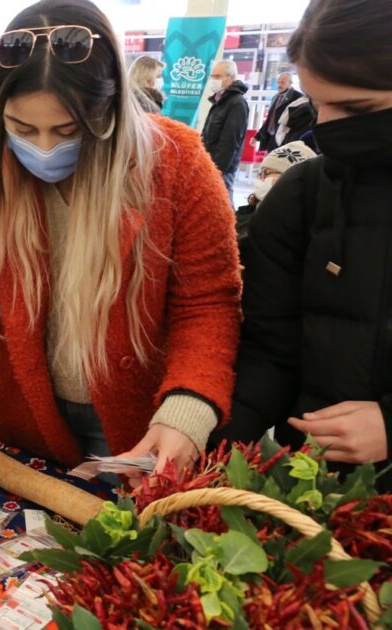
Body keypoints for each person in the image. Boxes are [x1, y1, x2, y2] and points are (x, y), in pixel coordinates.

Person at [0, 0, 241, 533]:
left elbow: (209, 305)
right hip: (26, 424)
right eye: (22, 128)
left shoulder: (179, 163)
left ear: (110, 108)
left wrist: (187, 412)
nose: (44, 148)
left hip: (145, 426)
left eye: (68, 129)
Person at [217, 0, 392, 492]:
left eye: (357, 110)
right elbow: (270, 352)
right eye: (318, 106)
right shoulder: (300, 195)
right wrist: (215, 461)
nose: (330, 128)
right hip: (310, 491)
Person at [234, 140, 315, 244]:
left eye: (277, 175)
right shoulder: (239, 218)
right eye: (263, 172)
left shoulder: (300, 237)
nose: (266, 179)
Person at [201, 59, 250, 195]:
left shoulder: (237, 103)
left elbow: (230, 142)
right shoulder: (219, 100)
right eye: (212, 76)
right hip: (210, 163)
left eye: (218, 76)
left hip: (222, 169)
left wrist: (217, 169)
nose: (213, 80)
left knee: (223, 203)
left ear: (232, 78)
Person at [254, 71, 303, 152]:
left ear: (290, 83)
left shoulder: (297, 97)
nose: (279, 85)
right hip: (271, 137)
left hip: (284, 138)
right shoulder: (276, 97)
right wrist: (258, 136)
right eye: (278, 82)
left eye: (283, 82)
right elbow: (269, 119)